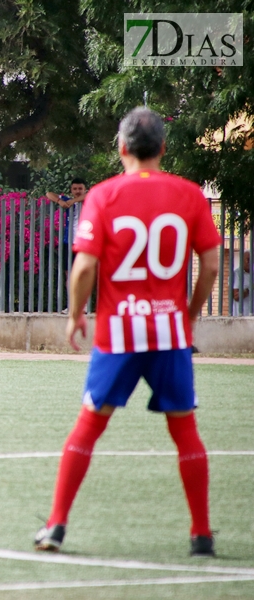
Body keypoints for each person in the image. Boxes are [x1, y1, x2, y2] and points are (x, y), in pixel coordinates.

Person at [34, 108, 221, 557]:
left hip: (119, 335)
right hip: (169, 335)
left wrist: (76, 313)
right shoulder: (190, 195)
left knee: (88, 428)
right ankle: (201, 534)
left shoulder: (103, 196)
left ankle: (56, 526)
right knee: (186, 432)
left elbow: (83, 267)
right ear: (162, 148)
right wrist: (188, 315)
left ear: (121, 148)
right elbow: (212, 264)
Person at [47, 179, 89, 312]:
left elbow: (90, 194)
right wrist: (60, 201)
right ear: (71, 190)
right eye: (75, 189)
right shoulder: (67, 200)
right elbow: (49, 193)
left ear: (84, 189)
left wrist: (74, 201)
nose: (77, 191)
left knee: (84, 274)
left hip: (83, 242)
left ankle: (84, 304)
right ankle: (73, 305)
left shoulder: (88, 200)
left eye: (80, 189)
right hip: (68, 242)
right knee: (69, 274)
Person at [232, 250, 251, 316]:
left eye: (251, 259)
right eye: (247, 259)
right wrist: (249, 289)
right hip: (241, 317)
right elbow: (236, 297)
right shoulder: (236, 274)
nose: (248, 262)